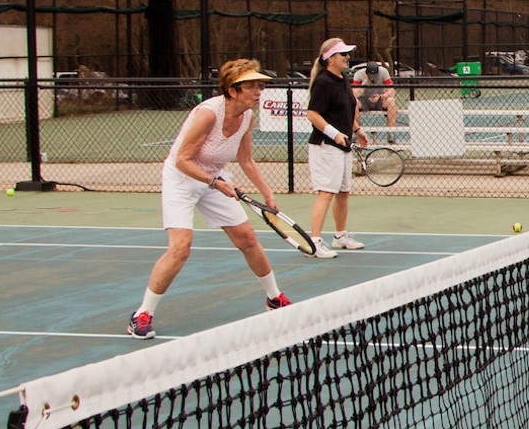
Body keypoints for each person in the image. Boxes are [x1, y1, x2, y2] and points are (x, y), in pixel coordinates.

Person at [128, 59, 291, 339]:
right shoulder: (208, 114)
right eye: (252, 86)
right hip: (182, 178)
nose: (259, 91)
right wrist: (216, 183)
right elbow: (182, 159)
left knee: (248, 239)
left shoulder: (248, 117)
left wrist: (267, 193)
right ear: (233, 90)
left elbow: (246, 160)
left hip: (214, 176)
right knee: (181, 247)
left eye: (260, 85)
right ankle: (142, 314)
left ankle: (274, 298)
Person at [304, 37, 364, 258]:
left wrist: (357, 130)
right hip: (325, 147)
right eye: (343, 54)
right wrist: (335, 134)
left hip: (343, 145)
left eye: (348, 54)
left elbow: (345, 112)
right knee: (326, 193)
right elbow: (312, 114)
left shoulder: (342, 80)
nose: (348, 57)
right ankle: (315, 242)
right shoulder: (323, 82)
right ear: (330, 58)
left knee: (343, 193)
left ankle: (340, 236)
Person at [352, 58, 398, 133]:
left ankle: (391, 133)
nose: (373, 78)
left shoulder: (384, 72)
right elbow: (355, 94)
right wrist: (365, 81)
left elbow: (391, 90)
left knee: (391, 101)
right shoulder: (358, 74)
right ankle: (357, 133)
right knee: (354, 103)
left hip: (380, 98)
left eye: (374, 75)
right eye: (371, 75)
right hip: (364, 100)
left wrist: (381, 96)